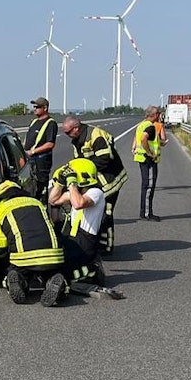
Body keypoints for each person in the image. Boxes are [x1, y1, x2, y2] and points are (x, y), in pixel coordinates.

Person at [0, 179, 69, 307]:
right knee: (49, 271)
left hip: (23, 257)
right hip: (53, 254)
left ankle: (19, 281)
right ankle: (53, 281)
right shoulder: (37, 203)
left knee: (18, 269)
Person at [60, 114, 127, 255]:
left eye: (67, 132)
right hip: (97, 179)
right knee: (94, 210)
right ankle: (92, 242)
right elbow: (79, 161)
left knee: (106, 213)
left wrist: (84, 170)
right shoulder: (77, 139)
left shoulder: (96, 136)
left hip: (110, 179)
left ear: (76, 128)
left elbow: (104, 159)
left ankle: (107, 246)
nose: (66, 135)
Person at [47, 159, 108, 289]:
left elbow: (78, 204)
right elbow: (53, 200)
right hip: (73, 237)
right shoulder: (76, 193)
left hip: (86, 241)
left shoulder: (96, 193)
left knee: (62, 268)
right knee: (52, 259)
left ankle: (92, 271)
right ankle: (66, 276)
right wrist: (60, 182)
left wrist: (72, 183)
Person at [23, 97, 57, 204]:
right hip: (30, 159)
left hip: (41, 161)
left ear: (45, 108)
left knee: (40, 187)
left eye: (37, 107)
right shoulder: (34, 122)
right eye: (34, 107)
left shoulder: (50, 123)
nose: (34, 109)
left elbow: (50, 144)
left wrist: (32, 152)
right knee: (30, 185)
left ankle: (42, 208)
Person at [132, 105, 163, 221]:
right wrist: (150, 153)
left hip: (142, 159)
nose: (159, 116)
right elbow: (144, 139)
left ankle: (145, 212)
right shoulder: (150, 126)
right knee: (149, 186)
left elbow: (141, 138)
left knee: (146, 186)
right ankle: (146, 213)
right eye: (158, 114)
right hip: (148, 160)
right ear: (154, 115)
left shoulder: (142, 124)